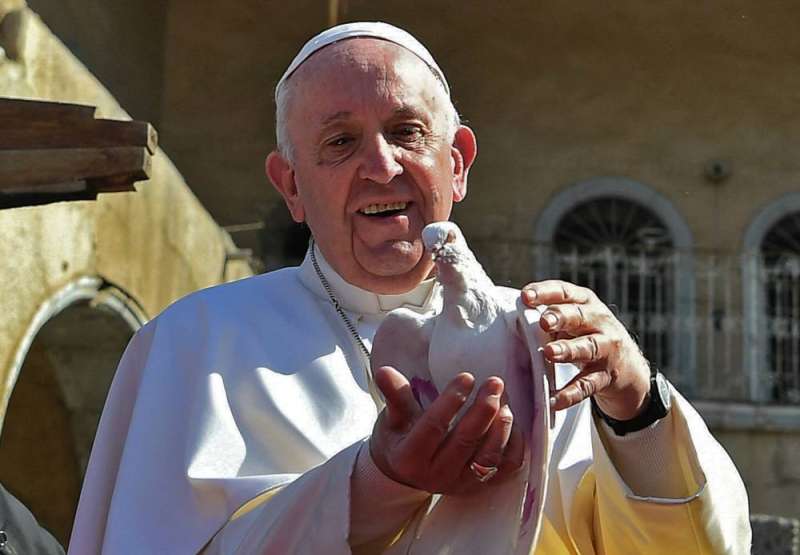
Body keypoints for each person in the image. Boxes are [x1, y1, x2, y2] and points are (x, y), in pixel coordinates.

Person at [69, 22, 751, 554]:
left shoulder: (547, 342)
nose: (381, 164)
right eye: (340, 142)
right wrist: (376, 484)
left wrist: (635, 405)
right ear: (291, 186)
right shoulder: (193, 343)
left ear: (457, 165)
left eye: (406, 132)